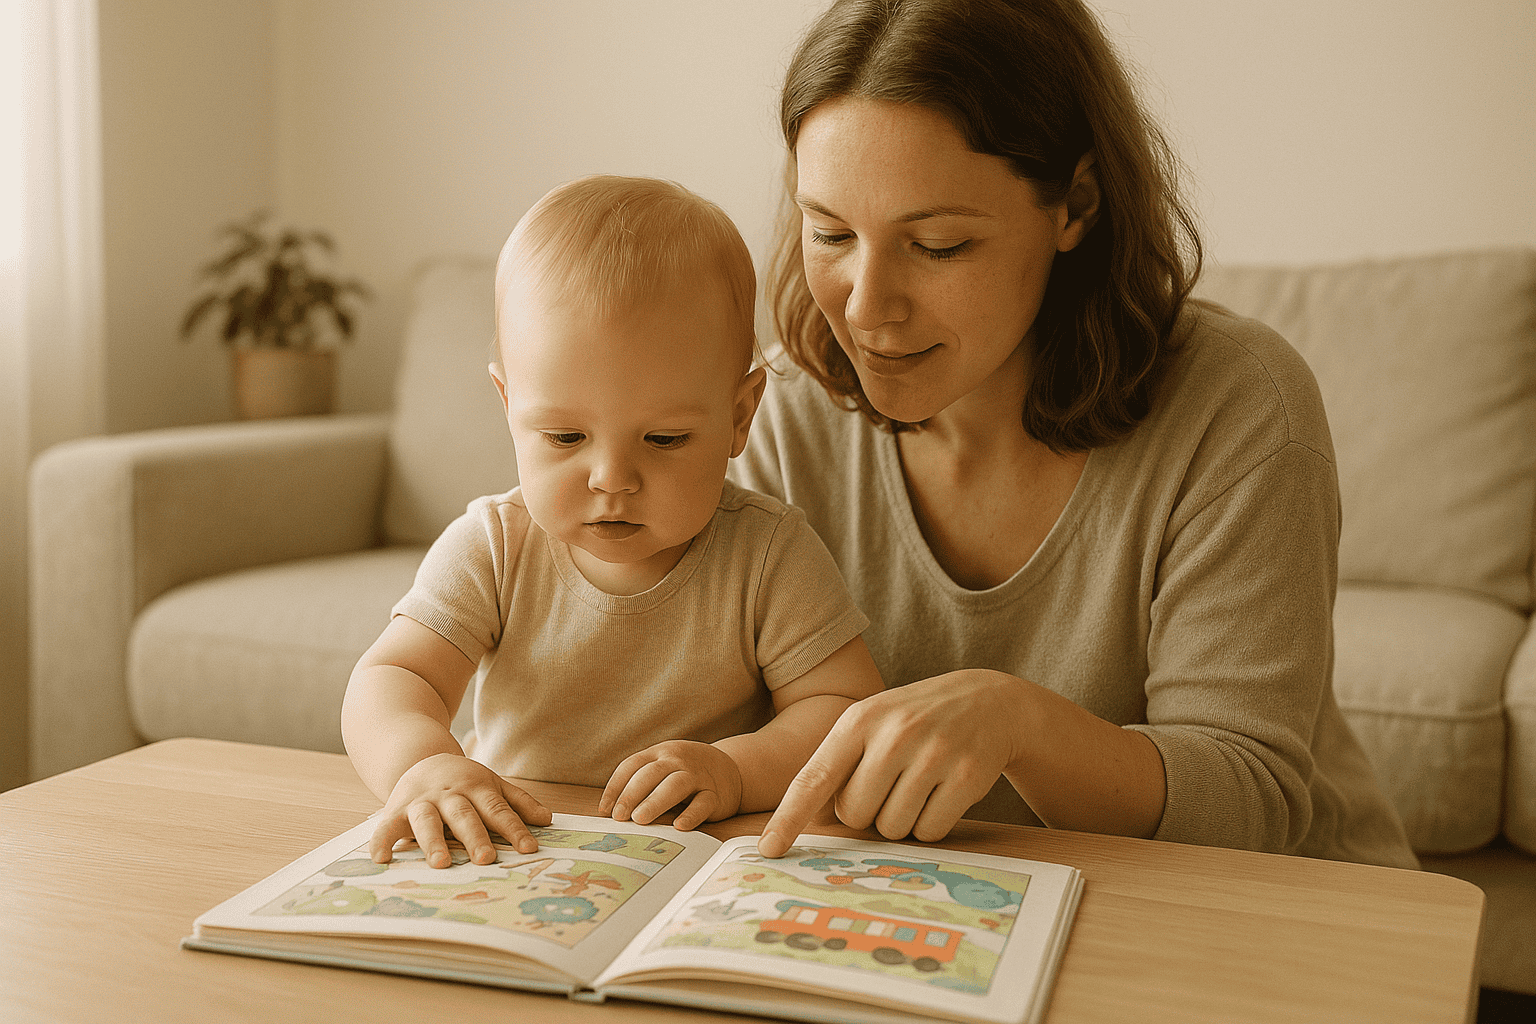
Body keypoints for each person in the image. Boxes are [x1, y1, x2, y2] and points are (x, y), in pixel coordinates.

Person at [737, 0, 1418, 869]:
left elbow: (1247, 805)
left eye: (939, 244)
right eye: (830, 232)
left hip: (1275, 908)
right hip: (950, 899)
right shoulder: (783, 413)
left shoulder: (1238, 408)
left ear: (1076, 204)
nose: (866, 308)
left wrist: (1019, 723)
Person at [343, 175, 884, 869]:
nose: (611, 478)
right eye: (565, 437)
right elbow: (393, 676)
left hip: (701, 863)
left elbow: (842, 707)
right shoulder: (495, 546)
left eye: (663, 440)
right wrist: (424, 765)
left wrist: (736, 770)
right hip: (513, 854)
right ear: (508, 406)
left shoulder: (769, 555)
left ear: (740, 415)